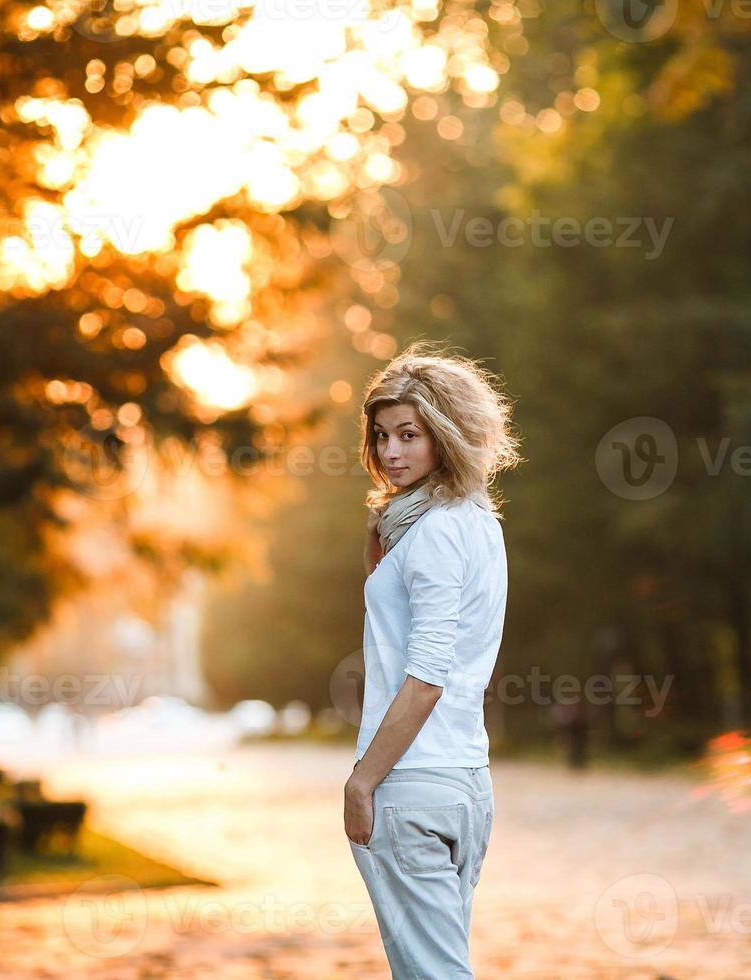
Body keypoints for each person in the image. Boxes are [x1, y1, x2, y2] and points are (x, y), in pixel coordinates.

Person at [344, 341, 523, 979]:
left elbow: (426, 678)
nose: (390, 453)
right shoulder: (475, 520)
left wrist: (362, 780)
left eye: (410, 435)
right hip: (466, 783)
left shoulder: (435, 531)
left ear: (447, 433)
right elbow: (392, 624)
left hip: (409, 785)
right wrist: (380, 532)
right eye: (382, 435)